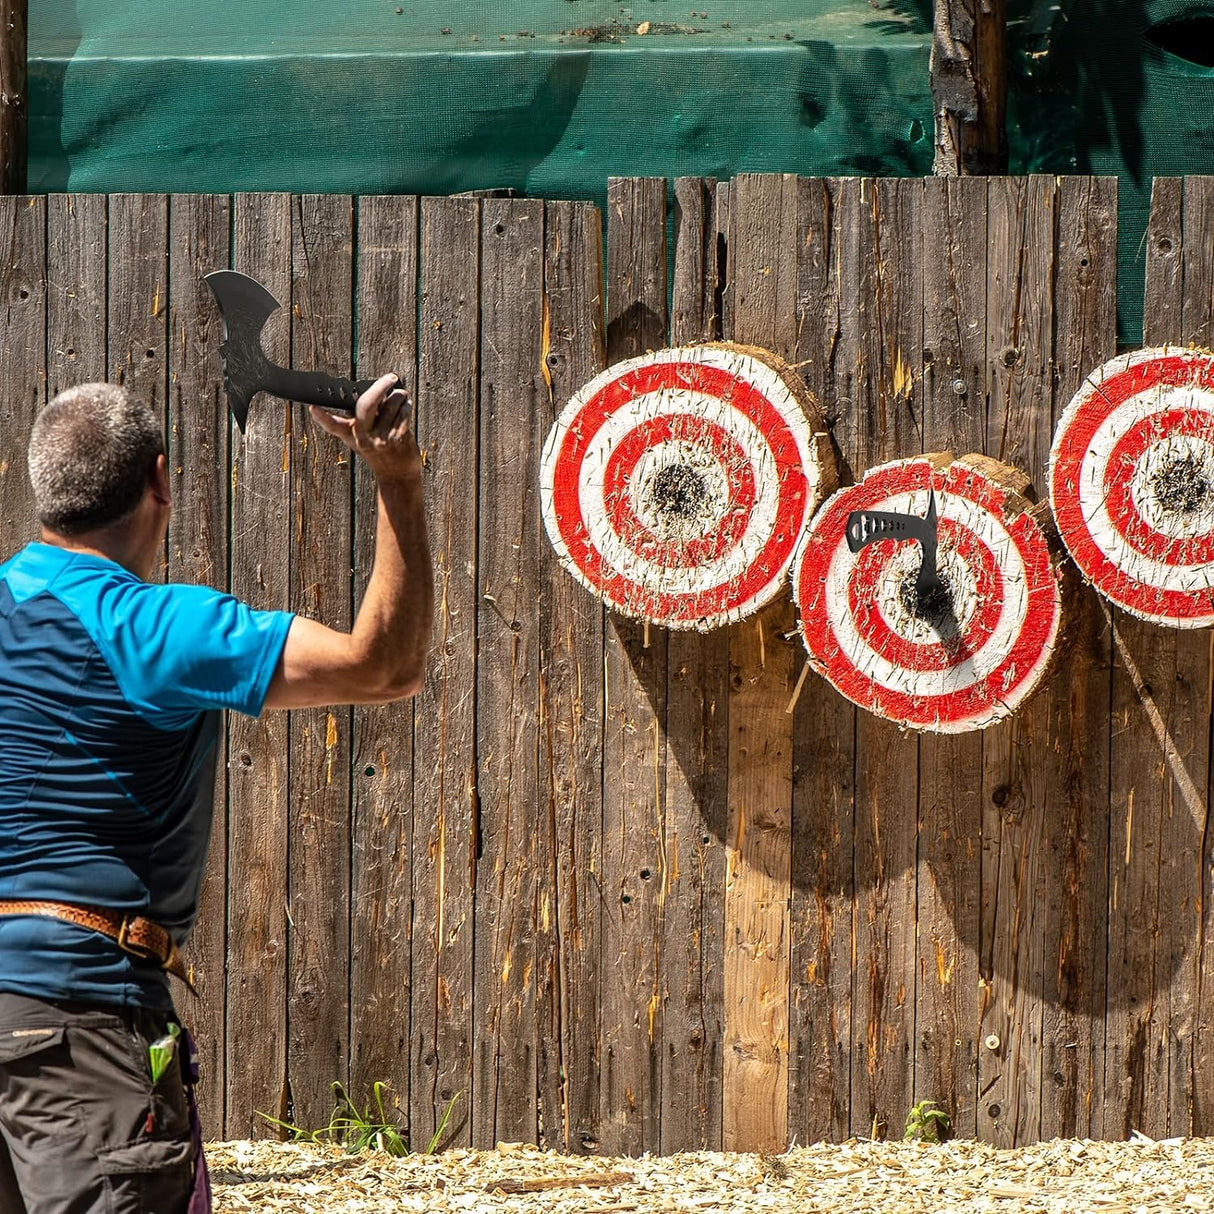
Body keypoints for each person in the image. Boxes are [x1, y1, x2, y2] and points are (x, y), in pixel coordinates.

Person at [0, 373, 432, 1214]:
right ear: (160, 479)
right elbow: (386, 666)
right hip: (82, 1024)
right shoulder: (157, 629)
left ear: (43, 491)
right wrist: (398, 480)